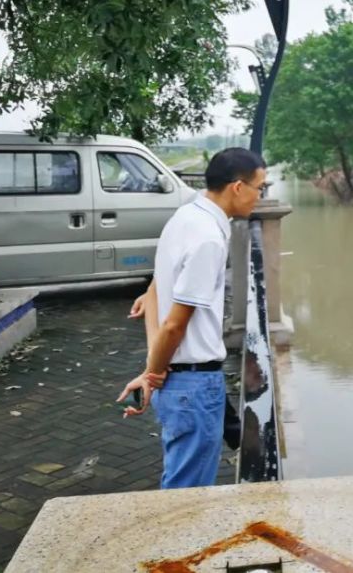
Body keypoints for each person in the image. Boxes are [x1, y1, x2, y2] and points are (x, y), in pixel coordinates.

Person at [116, 148, 266, 489]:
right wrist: (151, 375)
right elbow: (175, 325)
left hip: (182, 383)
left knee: (180, 483)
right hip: (193, 387)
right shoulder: (209, 239)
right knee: (186, 498)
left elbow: (158, 283)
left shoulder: (185, 217)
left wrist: (152, 371)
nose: (261, 197)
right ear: (238, 187)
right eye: (260, 187)